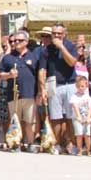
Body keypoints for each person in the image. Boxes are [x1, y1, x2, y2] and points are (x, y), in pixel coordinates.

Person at [38, 24, 79, 154]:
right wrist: (42, 88)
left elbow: (72, 62)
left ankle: (72, 143)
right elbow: (42, 70)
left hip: (69, 84)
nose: (56, 36)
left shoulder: (70, 46)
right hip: (54, 84)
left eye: (58, 33)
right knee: (55, 117)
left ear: (64, 33)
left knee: (70, 117)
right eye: (54, 33)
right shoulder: (47, 50)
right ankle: (58, 143)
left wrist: (61, 47)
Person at [0, 31, 42, 150]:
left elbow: (39, 75)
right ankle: (17, 142)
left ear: (26, 42)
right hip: (13, 95)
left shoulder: (34, 57)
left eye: (20, 40)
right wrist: (9, 75)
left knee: (29, 121)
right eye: (14, 40)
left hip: (29, 93)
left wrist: (39, 92)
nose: (16, 42)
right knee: (15, 120)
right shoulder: (7, 58)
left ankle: (31, 143)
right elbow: (0, 74)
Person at [71, 76, 91, 155]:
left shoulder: (88, 97)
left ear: (86, 86)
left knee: (87, 135)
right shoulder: (74, 96)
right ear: (76, 86)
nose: (80, 88)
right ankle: (79, 150)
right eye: (78, 86)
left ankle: (88, 150)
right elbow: (75, 106)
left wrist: (89, 117)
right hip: (77, 119)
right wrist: (78, 116)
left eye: (82, 86)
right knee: (79, 134)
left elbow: (90, 108)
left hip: (86, 118)